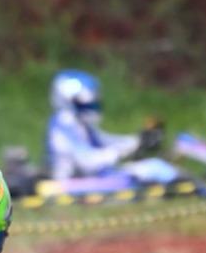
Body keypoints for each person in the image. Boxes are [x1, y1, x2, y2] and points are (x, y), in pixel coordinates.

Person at [44, 69, 172, 184]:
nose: (92, 108)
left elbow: (105, 141)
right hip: (71, 184)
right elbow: (87, 161)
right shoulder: (65, 124)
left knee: (155, 166)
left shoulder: (80, 124)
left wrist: (139, 140)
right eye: (87, 105)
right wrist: (123, 151)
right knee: (153, 168)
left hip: (90, 179)